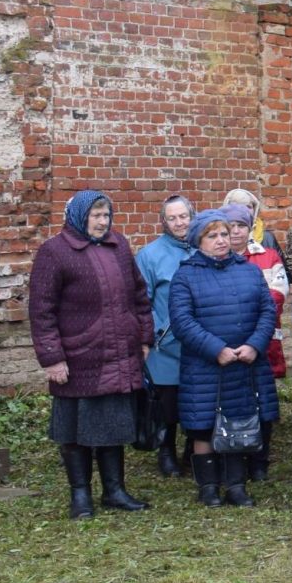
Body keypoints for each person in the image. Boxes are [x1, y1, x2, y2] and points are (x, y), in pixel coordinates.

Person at [27, 189, 153, 519]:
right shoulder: (54, 253)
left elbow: (140, 296)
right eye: (95, 215)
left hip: (119, 353)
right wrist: (52, 357)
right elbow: (42, 311)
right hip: (79, 357)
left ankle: (114, 491)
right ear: (78, 216)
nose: (102, 222)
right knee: (75, 431)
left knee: (113, 425)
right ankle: (80, 496)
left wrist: (144, 338)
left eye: (106, 215)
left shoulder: (119, 246)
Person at [167, 208, 279, 508]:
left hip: (244, 364)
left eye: (224, 234)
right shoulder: (185, 276)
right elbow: (182, 321)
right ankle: (208, 486)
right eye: (212, 235)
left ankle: (236, 485)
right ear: (198, 240)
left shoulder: (249, 271)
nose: (221, 240)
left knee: (239, 423)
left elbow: (267, 311)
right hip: (205, 367)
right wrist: (215, 349)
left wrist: (254, 345)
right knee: (204, 426)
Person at [222, 190, 289, 482]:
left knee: (264, 400)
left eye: (242, 226)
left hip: (261, 341)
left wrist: (245, 319)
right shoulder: (215, 257)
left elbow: (276, 295)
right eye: (231, 226)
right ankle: (233, 452)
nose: (236, 232)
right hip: (226, 343)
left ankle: (260, 458)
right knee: (234, 400)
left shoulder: (268, 256)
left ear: (251, 228)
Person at [134, 193, 195, 477]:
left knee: (198, 400)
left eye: (183, 216)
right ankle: (166, 450)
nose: (179, 222)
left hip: (199, 342)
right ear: (163, 221)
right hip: (165, 343)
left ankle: (194, 450)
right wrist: (152, 334)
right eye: (172, 218)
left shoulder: (203, 247)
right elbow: (140, 301)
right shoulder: (149, 255)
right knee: (167, 403)